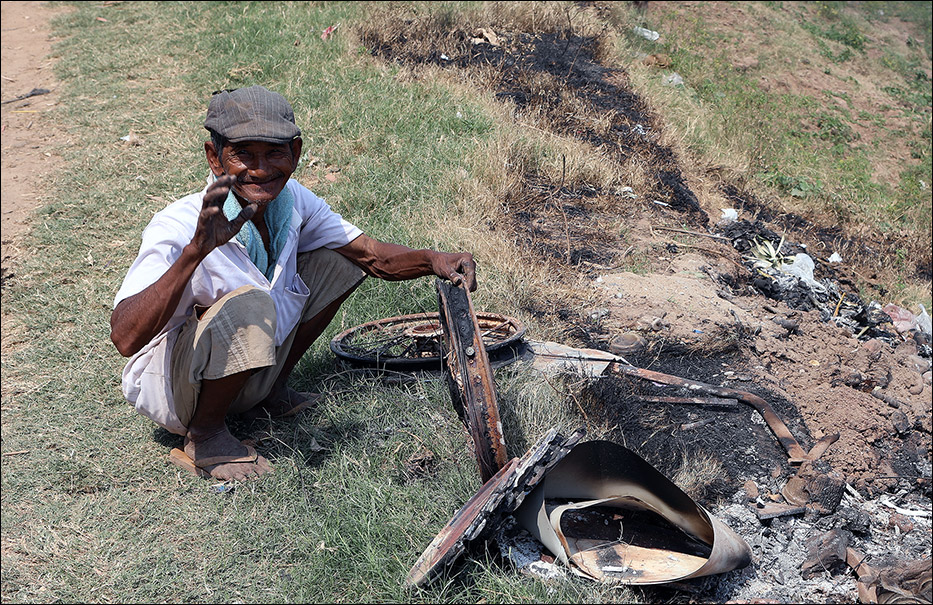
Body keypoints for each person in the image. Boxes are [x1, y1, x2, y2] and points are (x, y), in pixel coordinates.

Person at [110, 86, 476, 482]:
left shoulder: (291, 201)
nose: (261, 169)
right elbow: (125, 338)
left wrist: (432, 260)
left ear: (296, 153)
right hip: (176, 390)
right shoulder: (180, 224)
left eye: (274, 153)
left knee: (339, 261)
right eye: (243, 154)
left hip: (248, 373)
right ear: (214, 157)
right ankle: (206, 435)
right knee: (250, 302)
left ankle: (269, 392)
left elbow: (371, 255)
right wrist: (194, 253)